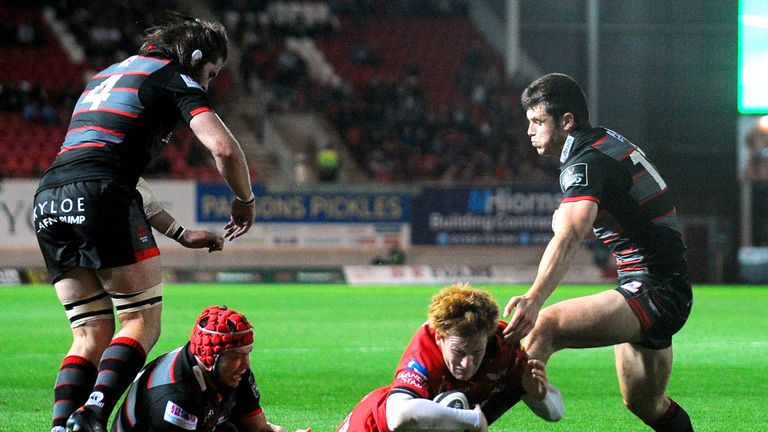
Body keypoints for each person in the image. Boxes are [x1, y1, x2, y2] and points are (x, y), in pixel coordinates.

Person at [32, 12, 257, 432]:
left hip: (49, 198)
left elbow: (101, 162)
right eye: (209, 72)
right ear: (193, 57)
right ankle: (94, 413)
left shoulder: (100, 79)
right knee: (140, 321)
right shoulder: (175, 77)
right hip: (103, 195)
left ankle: (62, 426)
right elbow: (223, 148)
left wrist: (179, 232)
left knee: (89, 334)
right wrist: (244, 199)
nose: (207, 84)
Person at [502, 73, 694, 431]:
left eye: (538, 122)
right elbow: (617, 212)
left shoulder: (585, 162)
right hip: (663, 287)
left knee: (543, 326)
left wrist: (533, 297)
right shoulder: (603, 143)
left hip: (653, 289)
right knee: (645, 404)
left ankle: (467, 420)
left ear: (567, 121)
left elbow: (571, 236)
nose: (530, 131)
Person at [337, 283, 564, 432]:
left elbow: (555, 413)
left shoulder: (504, 346)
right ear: (440, 338)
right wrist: (473, 420)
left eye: (476, 352)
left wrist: (538, 395)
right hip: (371, 425)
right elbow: (399, 416)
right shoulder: (426, 343)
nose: (467, 364)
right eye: (459, 352)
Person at [112, 305, 312, 432]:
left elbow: (258, 429)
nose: (246, 364)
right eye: (236, 356)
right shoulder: (174, 395)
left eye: (247, 353)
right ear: (209, 357)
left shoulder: (233, 373)